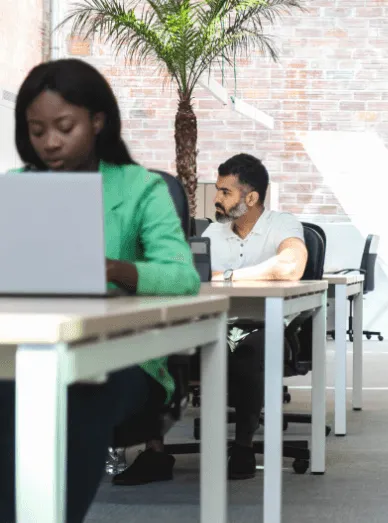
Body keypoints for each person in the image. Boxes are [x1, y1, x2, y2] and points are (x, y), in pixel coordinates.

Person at [0, 58, 200, 523]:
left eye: (64, 127)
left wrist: (113, 269)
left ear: (97, 120)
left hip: (124, 356)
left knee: (71, 396)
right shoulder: (15, 188)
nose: (49, 142)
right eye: (36, 130)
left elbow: (182, 276)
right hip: (24, 347)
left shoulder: (139, 188)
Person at [113, 153, 308, 483]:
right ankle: (155, 452)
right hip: (212, 323)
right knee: (156, 344)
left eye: (225, 192)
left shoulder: (282, 224)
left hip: (264, 325)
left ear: (251, 198)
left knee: (251, 349)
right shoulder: (211, 235)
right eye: (217, 190)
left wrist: (228, 276)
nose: (215, 198)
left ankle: (244, 446)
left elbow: (290, 266)